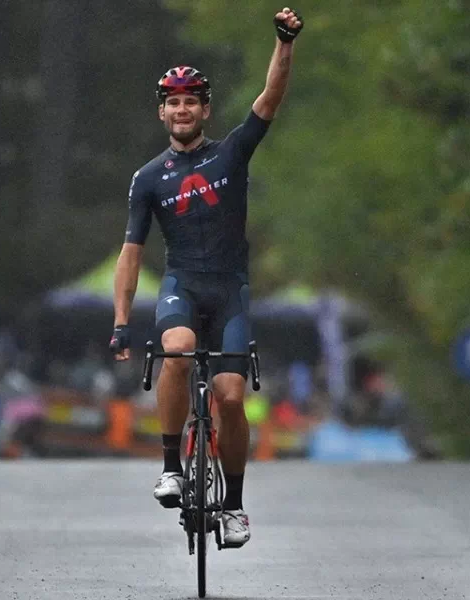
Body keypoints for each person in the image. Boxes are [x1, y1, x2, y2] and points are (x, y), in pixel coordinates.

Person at [108, 7, 303, 549]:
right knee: (177, 346)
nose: (182, 109)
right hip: (182, 287)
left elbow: (269, 100)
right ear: (162, 113)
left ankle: (235, 506)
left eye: (191, 100)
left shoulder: (231, 154)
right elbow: (130, 252)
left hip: (230, 292)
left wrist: (284, 44)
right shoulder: (148, 179)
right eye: (173, 102)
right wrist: (122, 321)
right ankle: (172, 465)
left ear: (205, 109)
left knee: (233, 399)